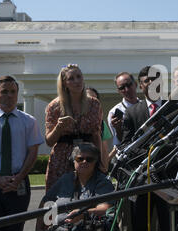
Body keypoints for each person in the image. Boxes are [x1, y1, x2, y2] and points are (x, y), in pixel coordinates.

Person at [0, 75, 44, 231]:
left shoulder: (29, 121)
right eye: (4, 91)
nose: (9, 95)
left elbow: (32, 153)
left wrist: (19, 178)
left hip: (18, 184)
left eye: (13, 91)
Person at [117, 65, 173, 231]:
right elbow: (127, 145)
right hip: (141, 182)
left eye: (155, 79)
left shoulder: (174, 108)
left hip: (167, 179)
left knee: (167, 228)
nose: (151, 83)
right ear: (140, 86)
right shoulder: (132, 113)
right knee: (140, 227)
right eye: (146, 81)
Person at [33, 142, 115, 231]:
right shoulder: (65, 179)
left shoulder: (102, 182)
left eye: (89, 159)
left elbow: (105, 208)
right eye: (80, 159)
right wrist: (39, 229)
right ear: (73, 160)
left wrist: (83, 214)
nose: (84, 162)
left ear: (95, 162)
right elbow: (47, 202)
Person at [44, 64, 103, 192]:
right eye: (71, 78)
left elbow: (96, 135)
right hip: (62, 160)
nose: (76, 81)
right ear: (64, 83)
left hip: (87, 158)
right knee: (59, 201)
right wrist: (59, 127)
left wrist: (99, 161)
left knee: (87, 199)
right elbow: (49, 141)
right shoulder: (54, 106)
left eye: (79, 77)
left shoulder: (94, 104)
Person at [107, 72, 139, 162]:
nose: (127, 89)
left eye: (129, 85)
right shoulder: (114, 112)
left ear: (135, 84)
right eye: (122, 88)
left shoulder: (146, 106)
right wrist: (118, 128)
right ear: (118, 91)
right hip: (127, 158)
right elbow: (120, 143)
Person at [86, 86, 112, 169]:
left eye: (94, 99)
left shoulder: (102, 124)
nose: (91, 101)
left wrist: (104, 169)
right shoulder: (72, 120)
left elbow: (104, 150)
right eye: (88, 98)